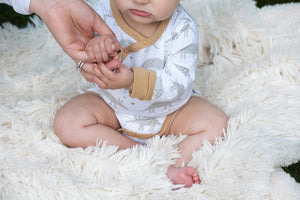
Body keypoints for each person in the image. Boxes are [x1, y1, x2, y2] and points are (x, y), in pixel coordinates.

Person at [54, 0, 228, 188]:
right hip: (112, 105)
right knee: (67, 123)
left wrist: (133, 81)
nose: (141, 0)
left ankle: (172, 165)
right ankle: (137, 153)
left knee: (217, 123)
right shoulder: (100, 13)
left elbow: (179, 82)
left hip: (171, 111)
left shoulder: (182, 27)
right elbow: (85, 53)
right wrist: (96, 48)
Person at [1, 0, 121, 86]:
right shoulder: (105, 9)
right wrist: (95, 48)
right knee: (68, 117)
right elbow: (90, 44)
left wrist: (132, 81)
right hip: (109, 102)